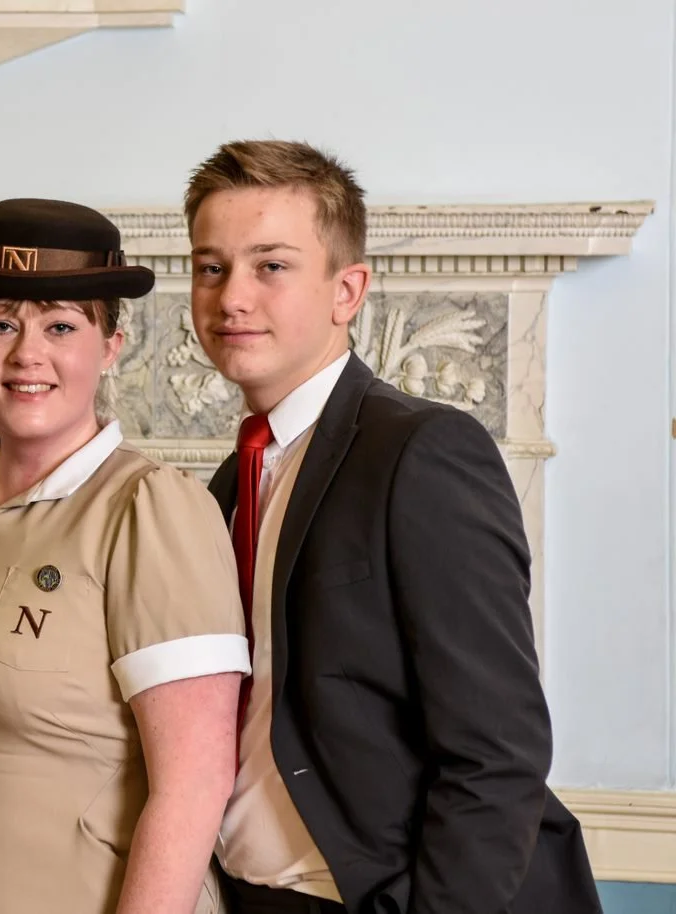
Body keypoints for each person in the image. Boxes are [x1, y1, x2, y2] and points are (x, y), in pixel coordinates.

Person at [186, 139, 601, 914]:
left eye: (270, 266)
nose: (232, 297)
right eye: (211, 267)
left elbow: (497, 754)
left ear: (348, 291)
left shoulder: (423, 451)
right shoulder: (228, 485)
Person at [0, 198, 250, 913]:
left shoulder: (152, 510)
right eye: (1, 323)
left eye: (62, 326)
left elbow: (195, 786)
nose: (26, 355)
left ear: (111, 346)